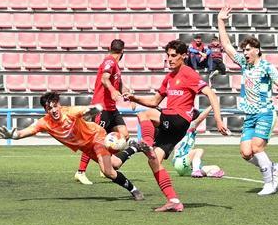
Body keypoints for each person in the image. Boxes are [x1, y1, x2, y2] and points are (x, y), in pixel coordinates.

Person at [113, 39, 230, 212]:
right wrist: (134, 98)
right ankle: (173, 200)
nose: (170, 59)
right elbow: (154, 101)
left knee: (143, 114)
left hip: (179, 118)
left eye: (174, 55)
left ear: (184, 56)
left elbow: (211, 95)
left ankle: (145, 142)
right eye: (168, 55)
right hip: (174, 127)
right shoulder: (168, 78)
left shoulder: (188, 73)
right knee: (154, 161)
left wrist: (219, 120)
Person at [0, 92, 145, 201]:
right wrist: (14, 135)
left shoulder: (69, 112)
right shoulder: (45, 122)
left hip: (96, 137)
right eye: (49, 108)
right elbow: (26, 132)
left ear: (59, 105)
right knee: (115, 165)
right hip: (85, 147)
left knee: (107, 171)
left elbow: (85, 110)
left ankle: (134, 190)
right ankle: (135, 147)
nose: (54, 110)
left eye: (55, 106)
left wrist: (92, 110)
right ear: (45, 110)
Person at [217, 7, 278, 195]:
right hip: (250, 115)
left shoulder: (267, 67)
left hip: (265, 113)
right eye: (244, 50)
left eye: (248, 50)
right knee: (245, 153)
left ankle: (269, 183)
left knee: (256, 147)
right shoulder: (244, 64)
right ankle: (272, 167)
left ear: (257, 50)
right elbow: (227, 46)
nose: (245, 53)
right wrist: (221, 21)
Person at [74, 39, 128, 185]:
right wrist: (113, 91)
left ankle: (105, 164)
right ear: (123, 51)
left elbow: (118, 82)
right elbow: (105, 79)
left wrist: (127, 93)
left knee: (124, 135)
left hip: (112, 109)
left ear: (108, 48)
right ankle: (80, 172)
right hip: (101, 108)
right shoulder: (109, 62)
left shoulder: (115, 65)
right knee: (93, 140)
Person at [171, 105, 226, 179]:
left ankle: (208, 172)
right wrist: (212, 105)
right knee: (199, 151)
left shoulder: (187, 129)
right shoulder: (188, 126)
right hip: (180, 160)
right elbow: (201, 118)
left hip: (185, 166)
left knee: (216, 168)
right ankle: (196, 171)